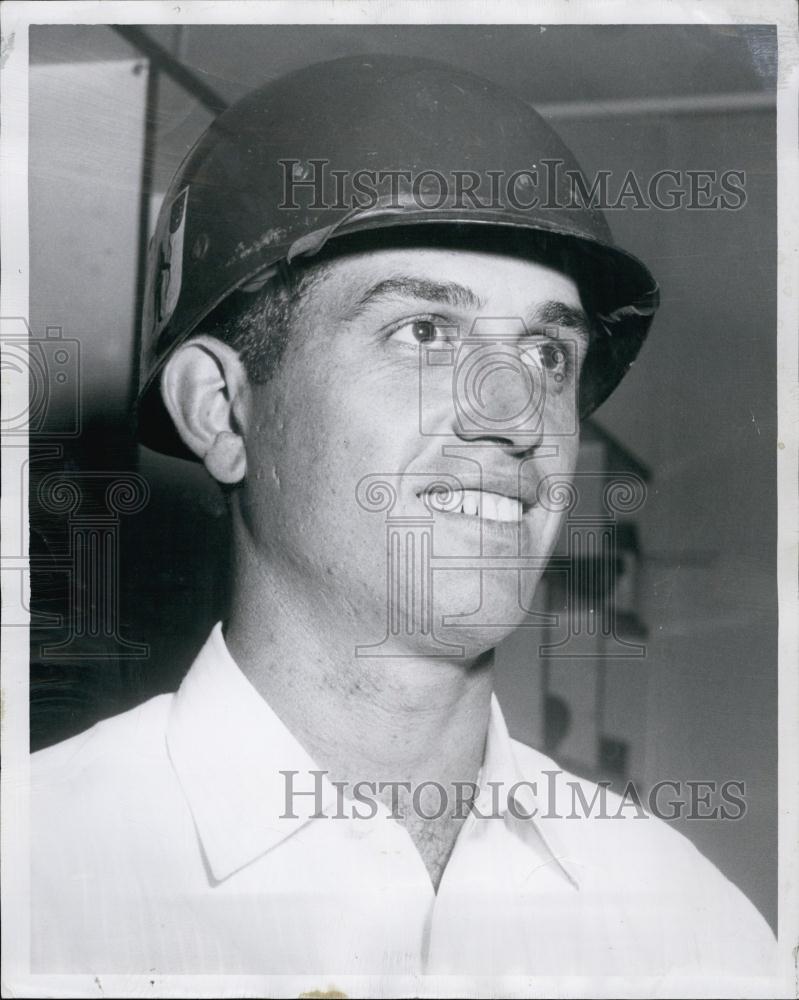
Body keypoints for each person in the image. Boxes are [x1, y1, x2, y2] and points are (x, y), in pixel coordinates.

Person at [31, 54, 776, 981]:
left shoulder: (689, 931)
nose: (513, 415)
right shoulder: (38, 886)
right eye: (423, 333)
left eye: (548, 352)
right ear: (222, 411)